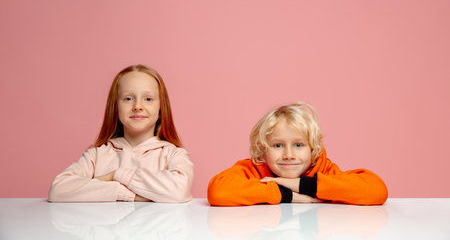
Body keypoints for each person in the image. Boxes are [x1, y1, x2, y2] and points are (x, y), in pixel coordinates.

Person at [48, 64, 193, 202]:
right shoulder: (97, 155)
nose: (137, 106)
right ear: (116, 107)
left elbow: (178, 191)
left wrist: (117, 175)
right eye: (128, 99)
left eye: (148, 99)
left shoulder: (173, 154)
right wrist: (125, 194)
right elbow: (58, 190)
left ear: (161, 109)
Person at [207, 102, 387, 206]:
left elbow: (377, 190)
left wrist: (301, 184)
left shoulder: (322, 169)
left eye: (298, 144)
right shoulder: (254, 168)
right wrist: (288, 195)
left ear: (313, 149)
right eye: (278, 145)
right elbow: (218, 192)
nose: (288, 155)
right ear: (262, 149)